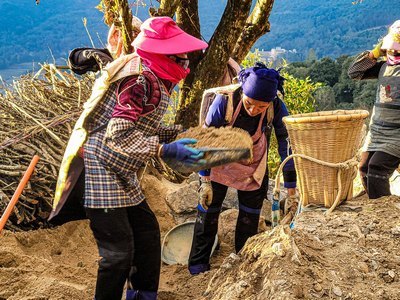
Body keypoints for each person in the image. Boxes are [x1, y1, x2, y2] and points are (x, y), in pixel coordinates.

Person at [52, 16, 208, 300]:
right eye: (181, 60)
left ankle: (141, 296)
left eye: (186, 60)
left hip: (120, 169)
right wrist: (163, 150)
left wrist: (174, 133)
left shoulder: (153, 78)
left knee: (147, 235)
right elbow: (119, 134)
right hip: (99, 167)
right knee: (118, 253)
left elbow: (141, 126)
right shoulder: (138, 80)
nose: (185, 66)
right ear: (162, 56)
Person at [188, 62, 297, 275]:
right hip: (219, 160)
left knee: (249, 217)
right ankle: (198, 266)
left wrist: (291, 189)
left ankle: (243, 263)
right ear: (243, 92)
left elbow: (287, 143)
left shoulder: (276, 106)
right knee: (208, 211)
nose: (254, 109)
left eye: (261, 107)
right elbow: (205, 139)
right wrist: (205, 180)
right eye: (250, 103)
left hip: (253, 164)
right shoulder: (224, 101)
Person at [348, 20, 400, 199]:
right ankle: (377, 209)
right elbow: (354, 72)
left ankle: (385, 214)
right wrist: (375, 51)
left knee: (377, 169)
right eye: (391, 49)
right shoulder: (383, 67)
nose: (394, 53)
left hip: (396, 135)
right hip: (377, 132)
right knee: (363, 168)